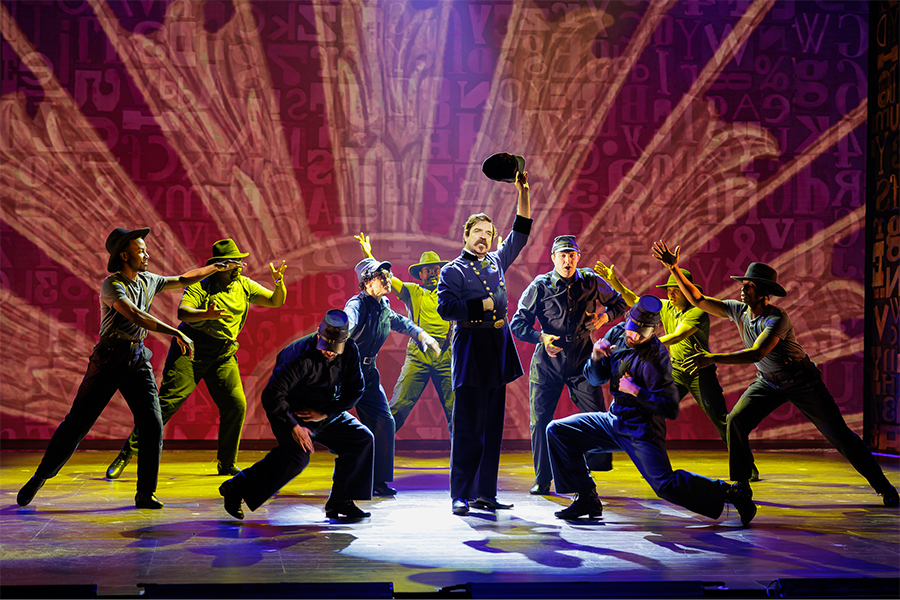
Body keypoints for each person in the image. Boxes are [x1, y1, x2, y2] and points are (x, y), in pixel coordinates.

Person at [651, 241, 899, 507]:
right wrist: (674, 268)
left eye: (749, 285)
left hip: (801, 382)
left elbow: (757, 353)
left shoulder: (776, 319)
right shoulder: (738, 310)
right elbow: (698, 299)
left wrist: (711, 358)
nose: (742, 288)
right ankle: (742, 486)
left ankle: (883, 486)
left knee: (839, 436)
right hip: (768, 383)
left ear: (764, 293)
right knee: (735, 420)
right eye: (743, 284)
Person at [17, 227, 242, 509]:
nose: (147, 254)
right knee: (77, 424)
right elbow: (137, 315)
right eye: (141, 250)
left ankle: (145, 493)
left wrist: (216, 267)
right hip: (110, 358)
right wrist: (177, 332)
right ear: (124, 255)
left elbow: (183, 278)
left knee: (152, 425)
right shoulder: (113, 285)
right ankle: (39, 478)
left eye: (146, 249)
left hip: (137, 359)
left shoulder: (148, 279)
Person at [546, 296, 757, 526]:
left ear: (653, 331)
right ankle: (586, 496)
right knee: (558, 431)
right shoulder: (617, 333)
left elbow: (667, 406)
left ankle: (732, 494)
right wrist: (596, 357)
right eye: (632, 329)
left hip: (642, 428)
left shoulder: (656, 358)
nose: (634, 336)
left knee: (666, 485)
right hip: (614, 419)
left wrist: (637, 391)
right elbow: (595, 379)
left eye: (641, 332)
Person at [105, 239, 288, 480]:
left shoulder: (244, 285)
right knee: (165, 406)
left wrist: (278, 282)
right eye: (234, 264)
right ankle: (127, 453)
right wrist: (207, 314)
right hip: (191, 351)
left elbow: (276, 300)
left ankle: (226, 463)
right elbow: (183, 312)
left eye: (240, 262)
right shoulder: (202, 286)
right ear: (221, 266)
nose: (240, 267)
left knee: (236, 405)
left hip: (223, 355)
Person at [593, 262, 759, 481]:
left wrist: (643, 344)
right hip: (677, 372)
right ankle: (650, 463)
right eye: (669, 291)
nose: (670, 294)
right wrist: (615, 281)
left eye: (676, 291)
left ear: (687, 291)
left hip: (700, 372)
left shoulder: (698, 311)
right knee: (650, 411)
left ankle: (747, 467)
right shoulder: (668, 307)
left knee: (721, 420)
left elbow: (677, 336)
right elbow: (637, 303)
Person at [218, 309, 373, 520]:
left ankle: (341, 501)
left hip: (323, 410)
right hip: (291, 411)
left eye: (335, 348)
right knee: (297, 456)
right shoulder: (297, 356)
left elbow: (355, 390)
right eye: (326, 346)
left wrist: (327, 412)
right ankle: (236, 487)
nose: (329, 352)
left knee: (361, 439)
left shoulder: (350, 351)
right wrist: (293, 426)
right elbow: (272, 395)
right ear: (318, 335)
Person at [437, 170, 531, 516]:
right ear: (465, 235)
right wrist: (481, 306)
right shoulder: (453, 271)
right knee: (468, 427)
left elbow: (521, 232)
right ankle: (460, 494)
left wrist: (523, 192)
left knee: (492, 428)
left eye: (488, 234)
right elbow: (446, 308)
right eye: (478, 232)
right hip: (471, 348)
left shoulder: (496, 261)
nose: (484, 238)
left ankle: (484, 494)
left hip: (496, 349)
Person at [510, 235, 627, 495]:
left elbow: (620, 303)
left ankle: (589, 476)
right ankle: (543, 479)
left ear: (578, 257)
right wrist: (541, 337)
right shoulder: (539, 286)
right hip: (548, 360)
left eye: (572, 255)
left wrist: (604, 317)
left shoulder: (590, 280)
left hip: (582, 357)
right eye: (562, 255)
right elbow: (517, 324)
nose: (567, 260)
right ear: (553, 258)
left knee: (596, 415)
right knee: (540, 422)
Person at [345, 258, 441, 496]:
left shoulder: (383, 303)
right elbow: (348, 320)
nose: (387, 280)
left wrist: (422, 336)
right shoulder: (357, 305)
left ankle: (377, 481)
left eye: (388, 275)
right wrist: (341, 329)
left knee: (384, 422)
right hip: (345, 372)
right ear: (367, 282)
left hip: (368, 373)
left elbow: (399, 321)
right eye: (381, 277)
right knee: (326, 423)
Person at [354, 234, 454, 433]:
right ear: (421, 274)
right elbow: (386, 278)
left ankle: (463, 461)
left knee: (456, 412)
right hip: (419, 358)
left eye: (436, 270)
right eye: (428, 270)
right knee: (398, 407)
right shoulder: (413, 291)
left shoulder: (449, 294)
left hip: (446, 357)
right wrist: (370, 255)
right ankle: (374, 448)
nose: (433, 273)